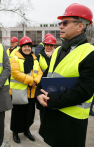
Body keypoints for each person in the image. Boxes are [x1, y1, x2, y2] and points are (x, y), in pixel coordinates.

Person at [36, 3, 94, 147]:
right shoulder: (58, 50)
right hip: (52, 117)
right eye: (61, 23)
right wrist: (38, 92)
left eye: (65, 22)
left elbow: (84, 91)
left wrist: (50, 100)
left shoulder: (90, 53)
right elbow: (46, 75)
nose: (61, 26)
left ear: (80, 26)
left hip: (71, 123)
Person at [10, 36, 43, 144]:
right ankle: (15, 132)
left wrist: (36, 81)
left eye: (29, 46)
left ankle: (26, 130)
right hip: (19, 92)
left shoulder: (35, 59)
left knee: (29, 114)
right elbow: (15, 73)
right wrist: (30, 80)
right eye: (25, 46)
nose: (27, 48)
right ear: (21, 47)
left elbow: (39, 72)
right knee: (17, 113)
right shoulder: (15, 58)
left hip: (31, 92)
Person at [35, 35, 56, 122]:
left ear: (54, 46)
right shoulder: (39, 57)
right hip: (42, 87)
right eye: (47, 45)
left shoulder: (58, 56)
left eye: (51, 45)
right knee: (43, 112)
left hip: (54, 88)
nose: (49, 47)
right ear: (44, 45)